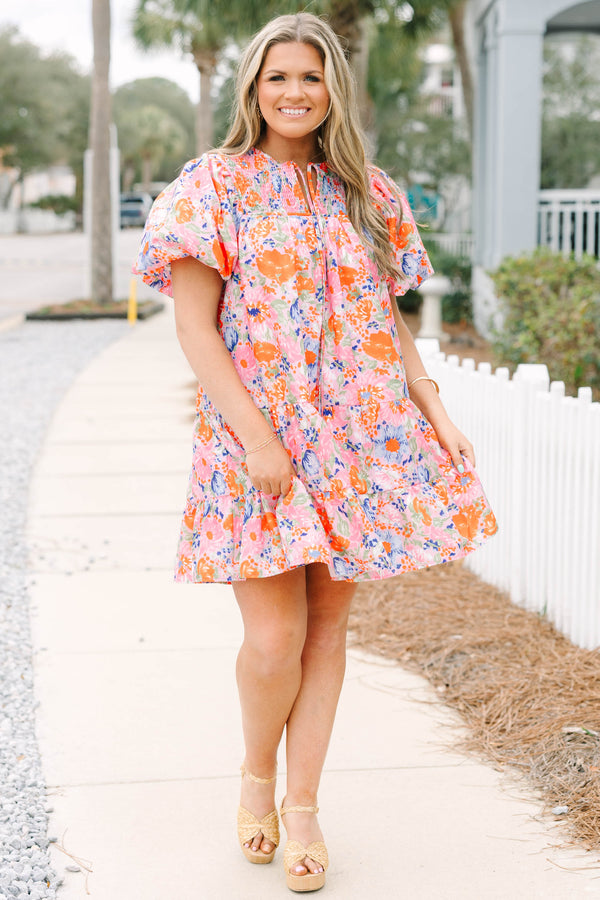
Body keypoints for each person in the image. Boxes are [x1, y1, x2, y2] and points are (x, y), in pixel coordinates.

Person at [135, 11, 497, 893]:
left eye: (310, 77)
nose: (294, 93)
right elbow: (193, 325)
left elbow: (385, 317)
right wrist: (257, 439)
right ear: (252, 90)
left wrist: (431, 403)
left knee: (329, 631)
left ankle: (303, 808)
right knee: (275, 639)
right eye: (276, 78)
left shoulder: (367, 191)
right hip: (254, 441)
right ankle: (255, 777)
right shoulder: (212, 185)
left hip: (355, 433)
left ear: (333, 86)